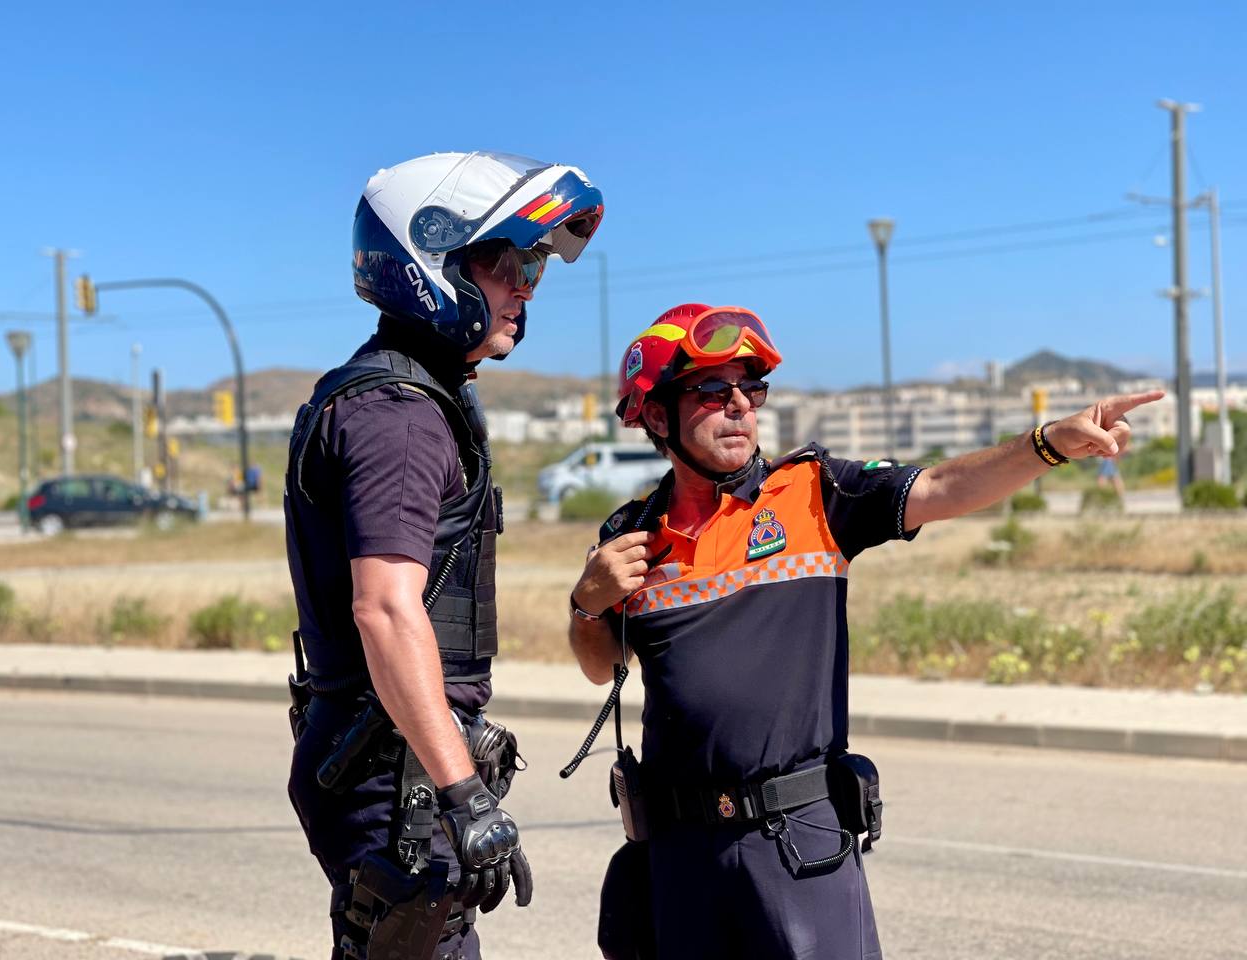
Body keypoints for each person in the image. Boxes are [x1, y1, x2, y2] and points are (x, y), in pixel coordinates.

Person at [568, 303, 1161, 959]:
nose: (739, 405)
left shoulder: (816, 492)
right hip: (682, 854)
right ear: (656, 414)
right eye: (712, 390)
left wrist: (1046, 444)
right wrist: (587, 604)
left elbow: (940, 485)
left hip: (798, 845)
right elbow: (601, 665)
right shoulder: (628, 536)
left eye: (750, 388)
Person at [285, 151, 603, 960]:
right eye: (505, 260)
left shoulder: (409, 395)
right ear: (428, 262)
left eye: (532, 262)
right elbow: (385, 609)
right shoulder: (399, 417)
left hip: (390, 758)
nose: (525, 285)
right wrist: (464, 792)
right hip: (392, 774)